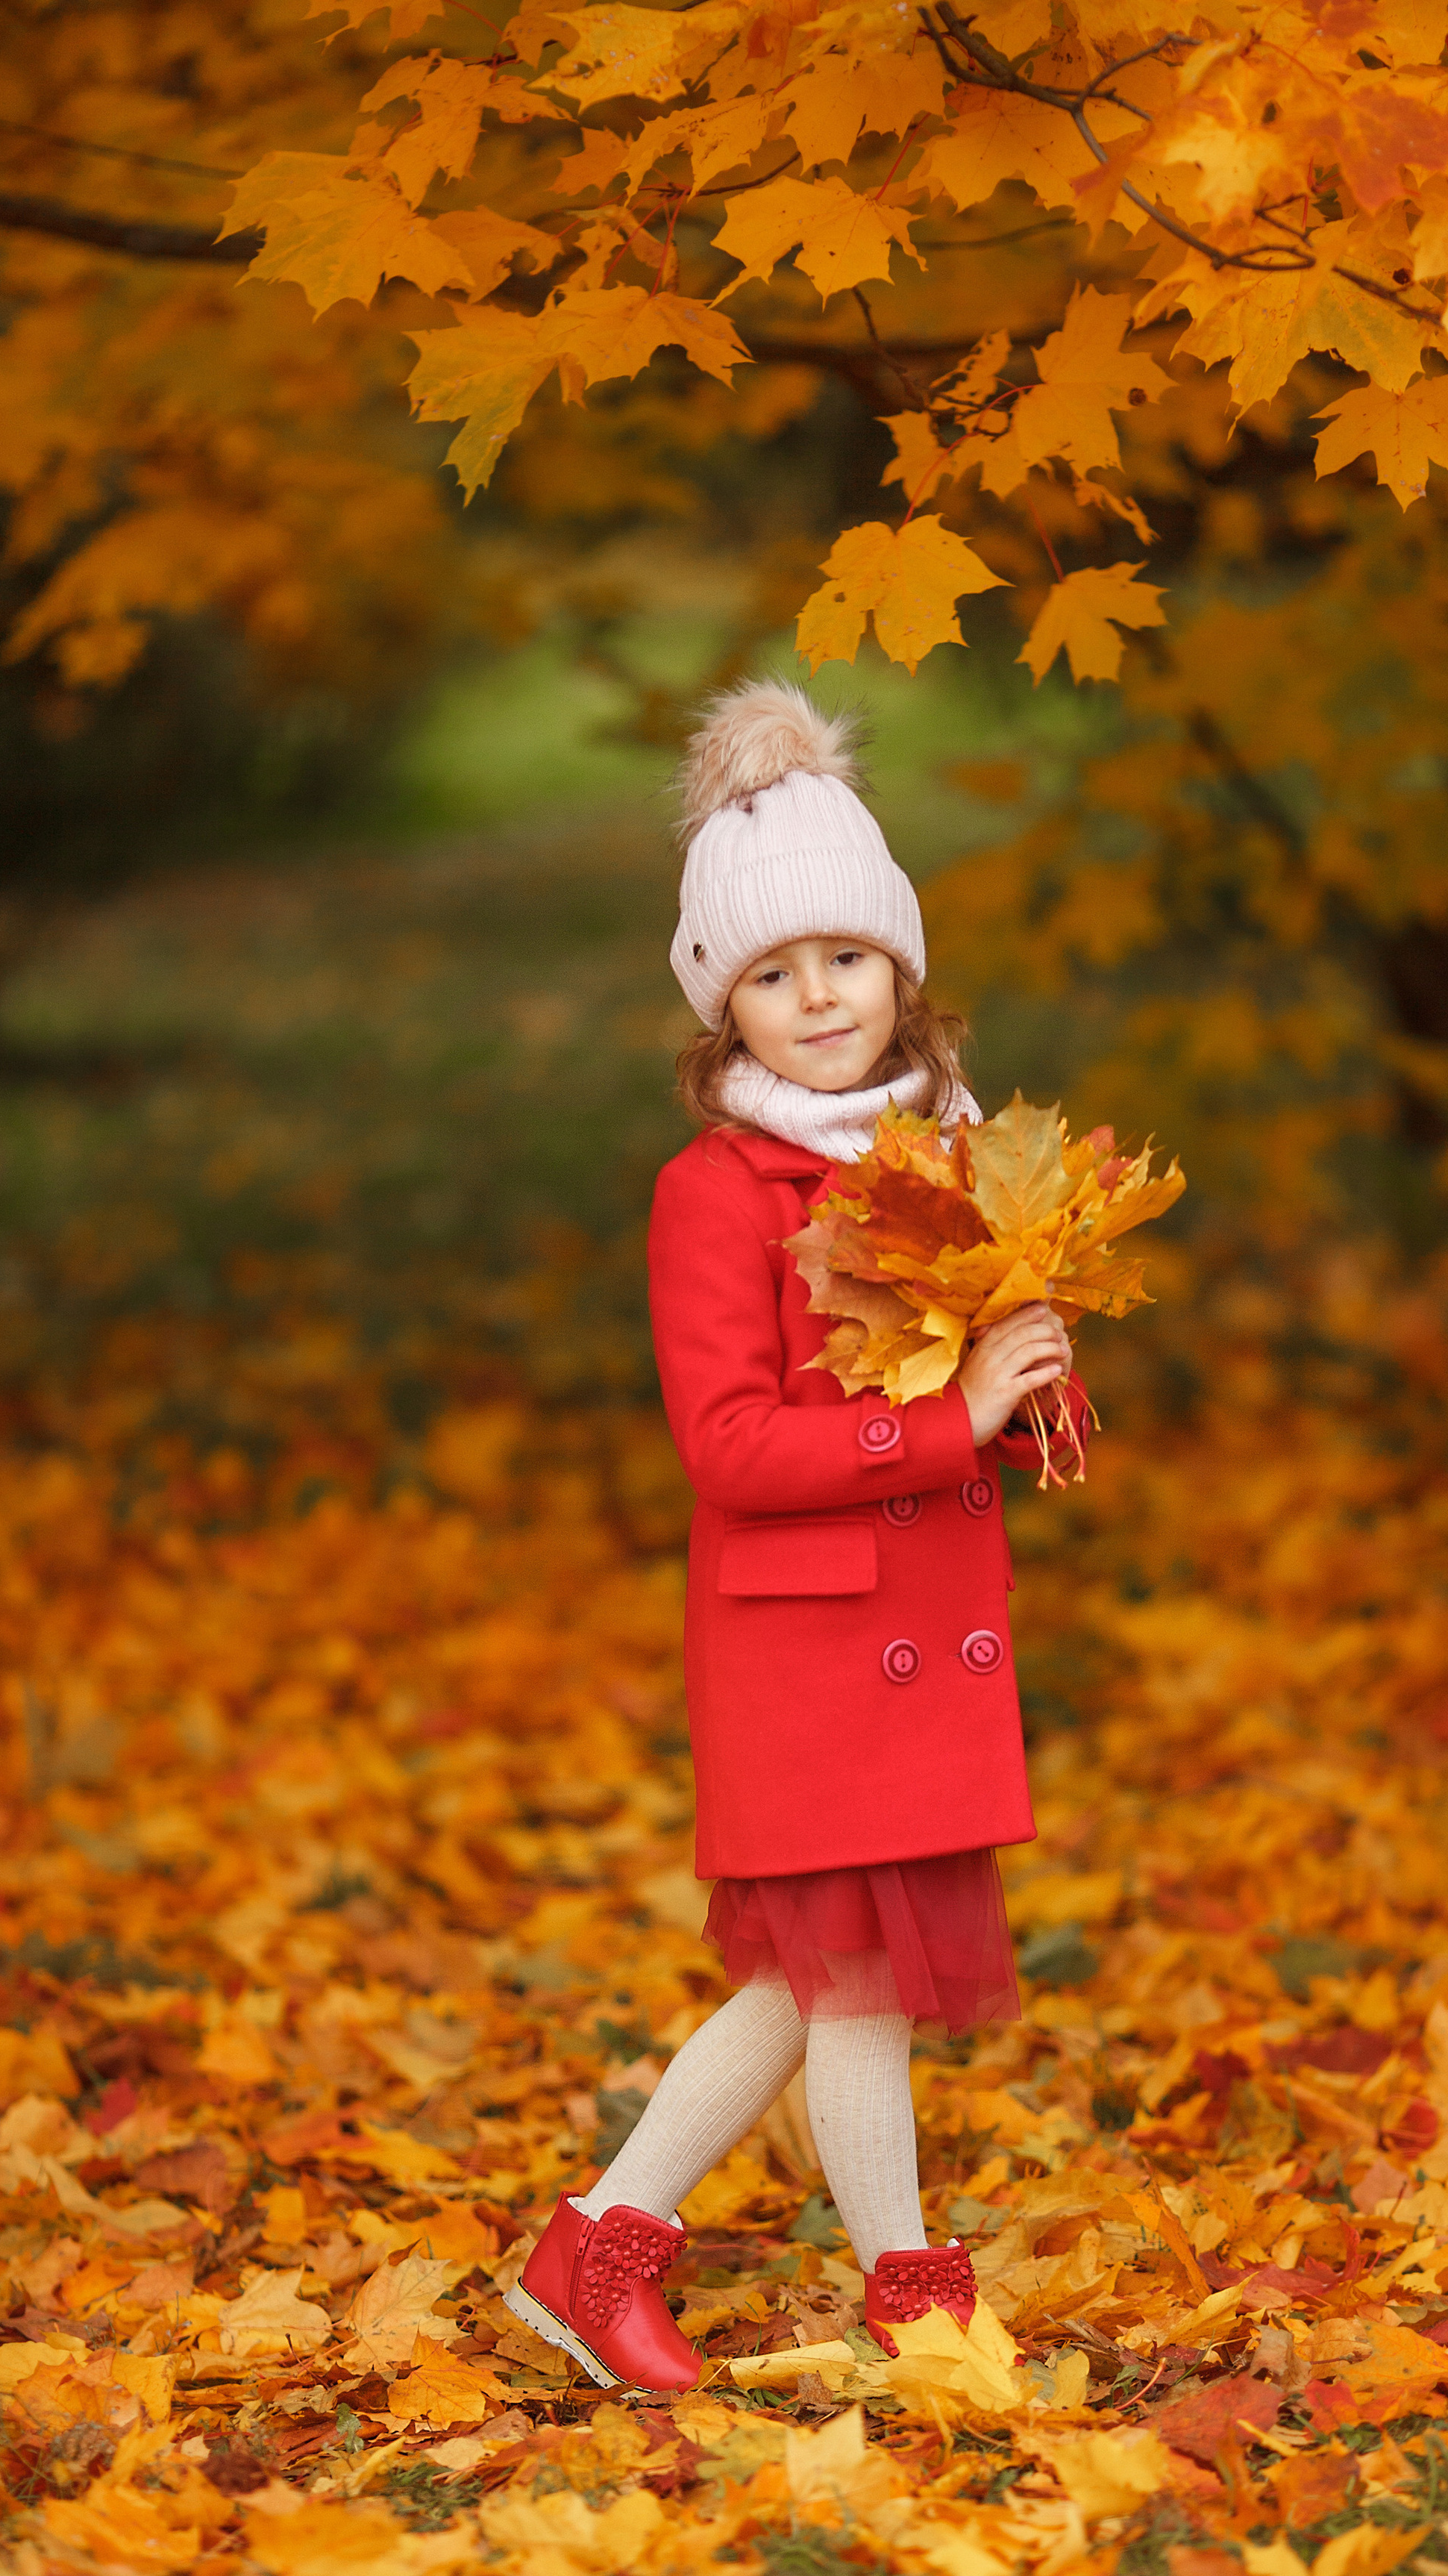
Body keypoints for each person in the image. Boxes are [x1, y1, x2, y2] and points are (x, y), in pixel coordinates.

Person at [507, 679, 1082, 2392]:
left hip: (906, 1624)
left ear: (897, 963)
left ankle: (591, 2259)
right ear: (720, 1008)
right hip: (804, 1639)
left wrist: (1036, 1377)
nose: (812, 997)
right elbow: (732, 1446)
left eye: (839, 956)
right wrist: (942, 1419)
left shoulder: (949, 1154)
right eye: (767, 973)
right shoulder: (715, 1193)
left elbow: (972, 1363)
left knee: (819, 1980)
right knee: (853, 1991)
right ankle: (916, 2303)